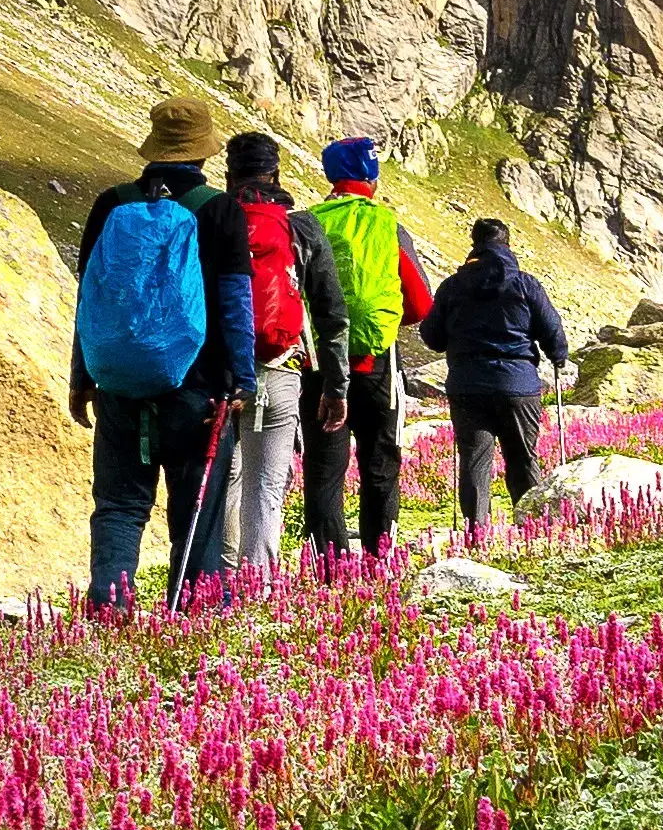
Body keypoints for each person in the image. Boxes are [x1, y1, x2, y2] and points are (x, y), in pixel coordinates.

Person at [68, 94, 252, 608]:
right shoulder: (219, 209)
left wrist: (81, 376)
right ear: (204, 152)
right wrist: (244, 378)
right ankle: (191, 618)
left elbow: (91, 297)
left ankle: (110, 609)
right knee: (196, 511)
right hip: (200, 391)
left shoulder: (112, 203)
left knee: (119, 506)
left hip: (120, 384)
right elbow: (237, 302)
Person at [294, 138, 435, 557]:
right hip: (378, 364)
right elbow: (422, 303)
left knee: (324, 469)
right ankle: (379, 560)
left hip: (319, 364)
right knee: (380, 464)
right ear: (371, 178)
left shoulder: (305, 222)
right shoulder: (388, 224)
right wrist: (387, 323)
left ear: (330, 175)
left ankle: (331, 569)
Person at [189, 128, 313, 589]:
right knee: (267, 483)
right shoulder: (297, 226)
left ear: (229, 174)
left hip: (221, 370)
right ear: (276, 172)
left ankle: (218, 581)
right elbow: (328, 305)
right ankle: (258, 583)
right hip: (281, 366)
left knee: (228, 477)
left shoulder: (214, 216)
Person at [420, 212, 574, 542]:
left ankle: (477, 534)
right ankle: (533, 533)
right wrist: (558, 355)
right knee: (522, 457)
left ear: (474, 245)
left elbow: (431, 337)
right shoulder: (526, 283)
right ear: (507, 244)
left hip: (467, 385)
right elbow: (551, 329)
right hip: (518, 384)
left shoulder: (452, 286)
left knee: (475, 461)